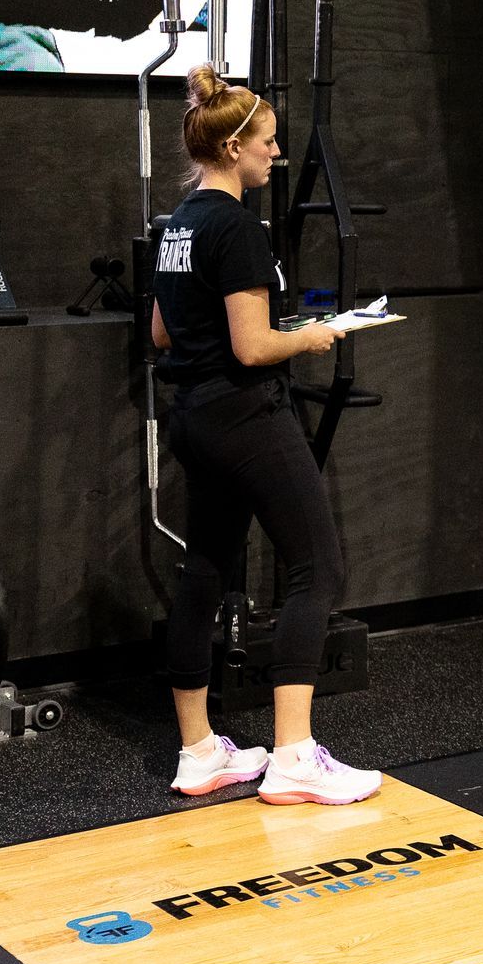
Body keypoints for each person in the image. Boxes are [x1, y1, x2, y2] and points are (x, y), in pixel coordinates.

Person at [150, 64, 381, 804]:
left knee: (205, 572)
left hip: (194, 416)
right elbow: (252, 349)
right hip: (246, 416)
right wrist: (313, 336)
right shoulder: (237, 226)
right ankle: (293, 758)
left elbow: (162, 331)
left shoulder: (178, 225)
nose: (276, 155)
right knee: (318, 568)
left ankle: (197, 753)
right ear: (233, 149)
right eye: (268, 143)